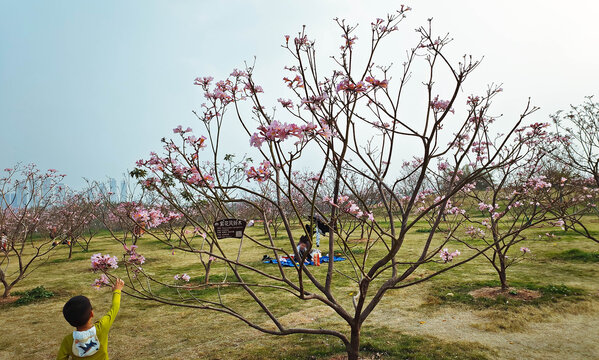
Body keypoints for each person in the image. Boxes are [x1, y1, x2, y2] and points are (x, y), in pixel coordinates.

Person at [56, 278, 124, 359]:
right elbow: (114, 308)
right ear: (91, 313)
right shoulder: (102, 327)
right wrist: (117, 291)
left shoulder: (67, 341)